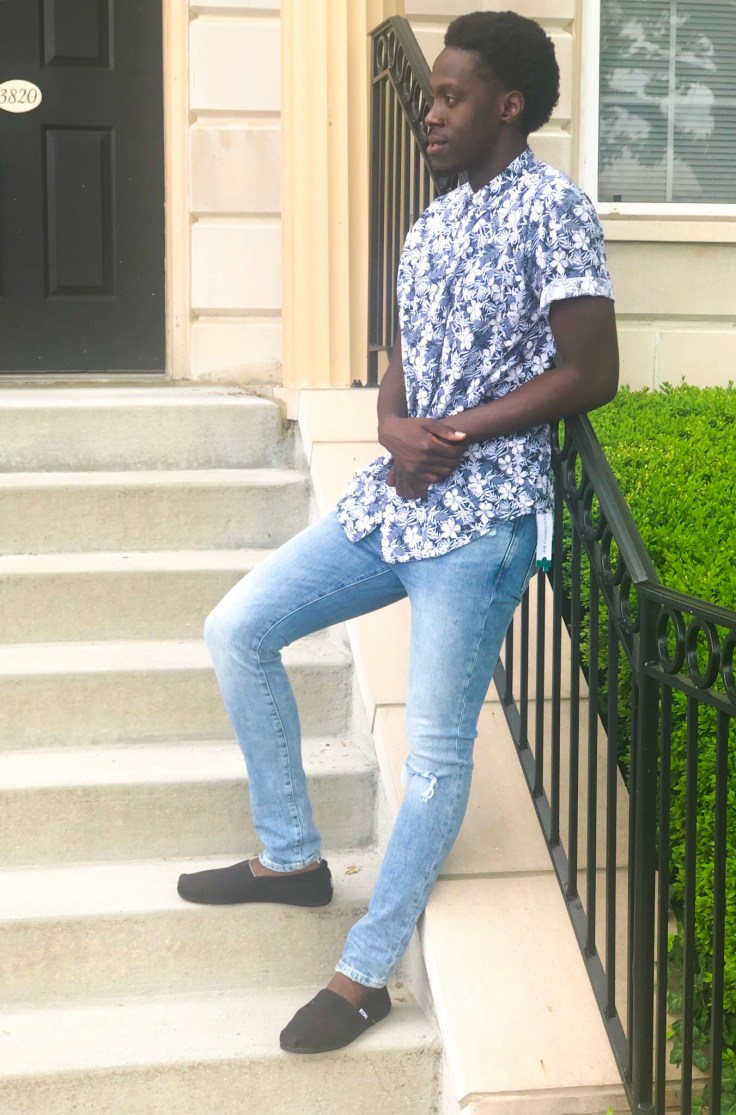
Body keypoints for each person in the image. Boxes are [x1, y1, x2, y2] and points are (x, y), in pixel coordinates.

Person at [176, 9, 619, 1055]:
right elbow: (399, 355)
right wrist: (390, 423)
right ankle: (291, 856)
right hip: (392, 501)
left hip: (482, 519)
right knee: (237, 627)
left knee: (433, 755)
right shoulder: (429, 224)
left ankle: (365, 969)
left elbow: (591, 371)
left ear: (508, 106)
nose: (431, 111)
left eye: (452, 95)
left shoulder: (554, 207)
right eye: (433, 94)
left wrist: (455, 431)